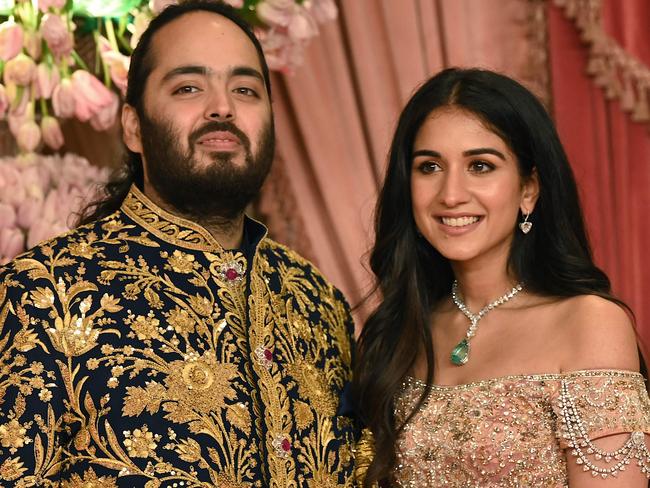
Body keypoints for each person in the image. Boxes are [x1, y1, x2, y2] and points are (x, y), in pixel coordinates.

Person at [0, 2, 358, 486]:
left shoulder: (317, 301)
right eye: (189, 87)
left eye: (245, 89)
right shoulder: (41, 293)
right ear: (133, 126)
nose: (223, 107)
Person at [353, 68, 650, 487]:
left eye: (480, 165)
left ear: (528, 189)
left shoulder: (588, 322)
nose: (451, 194)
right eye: (430, 166)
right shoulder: (403, 330)